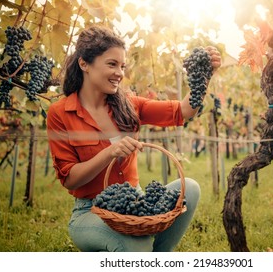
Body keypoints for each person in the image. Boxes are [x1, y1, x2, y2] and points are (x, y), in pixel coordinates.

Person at [46, 25, 221, 252]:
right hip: (92, 211)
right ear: (84, 64)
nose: (120, 72)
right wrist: (110, 152)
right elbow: (70, 179)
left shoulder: (129, 104)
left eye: (122, 66)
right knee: (133, 243)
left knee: (191, 189)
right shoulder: (60, 113)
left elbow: (184, 110)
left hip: (135, 203)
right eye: (112, 64)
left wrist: (204, 75)